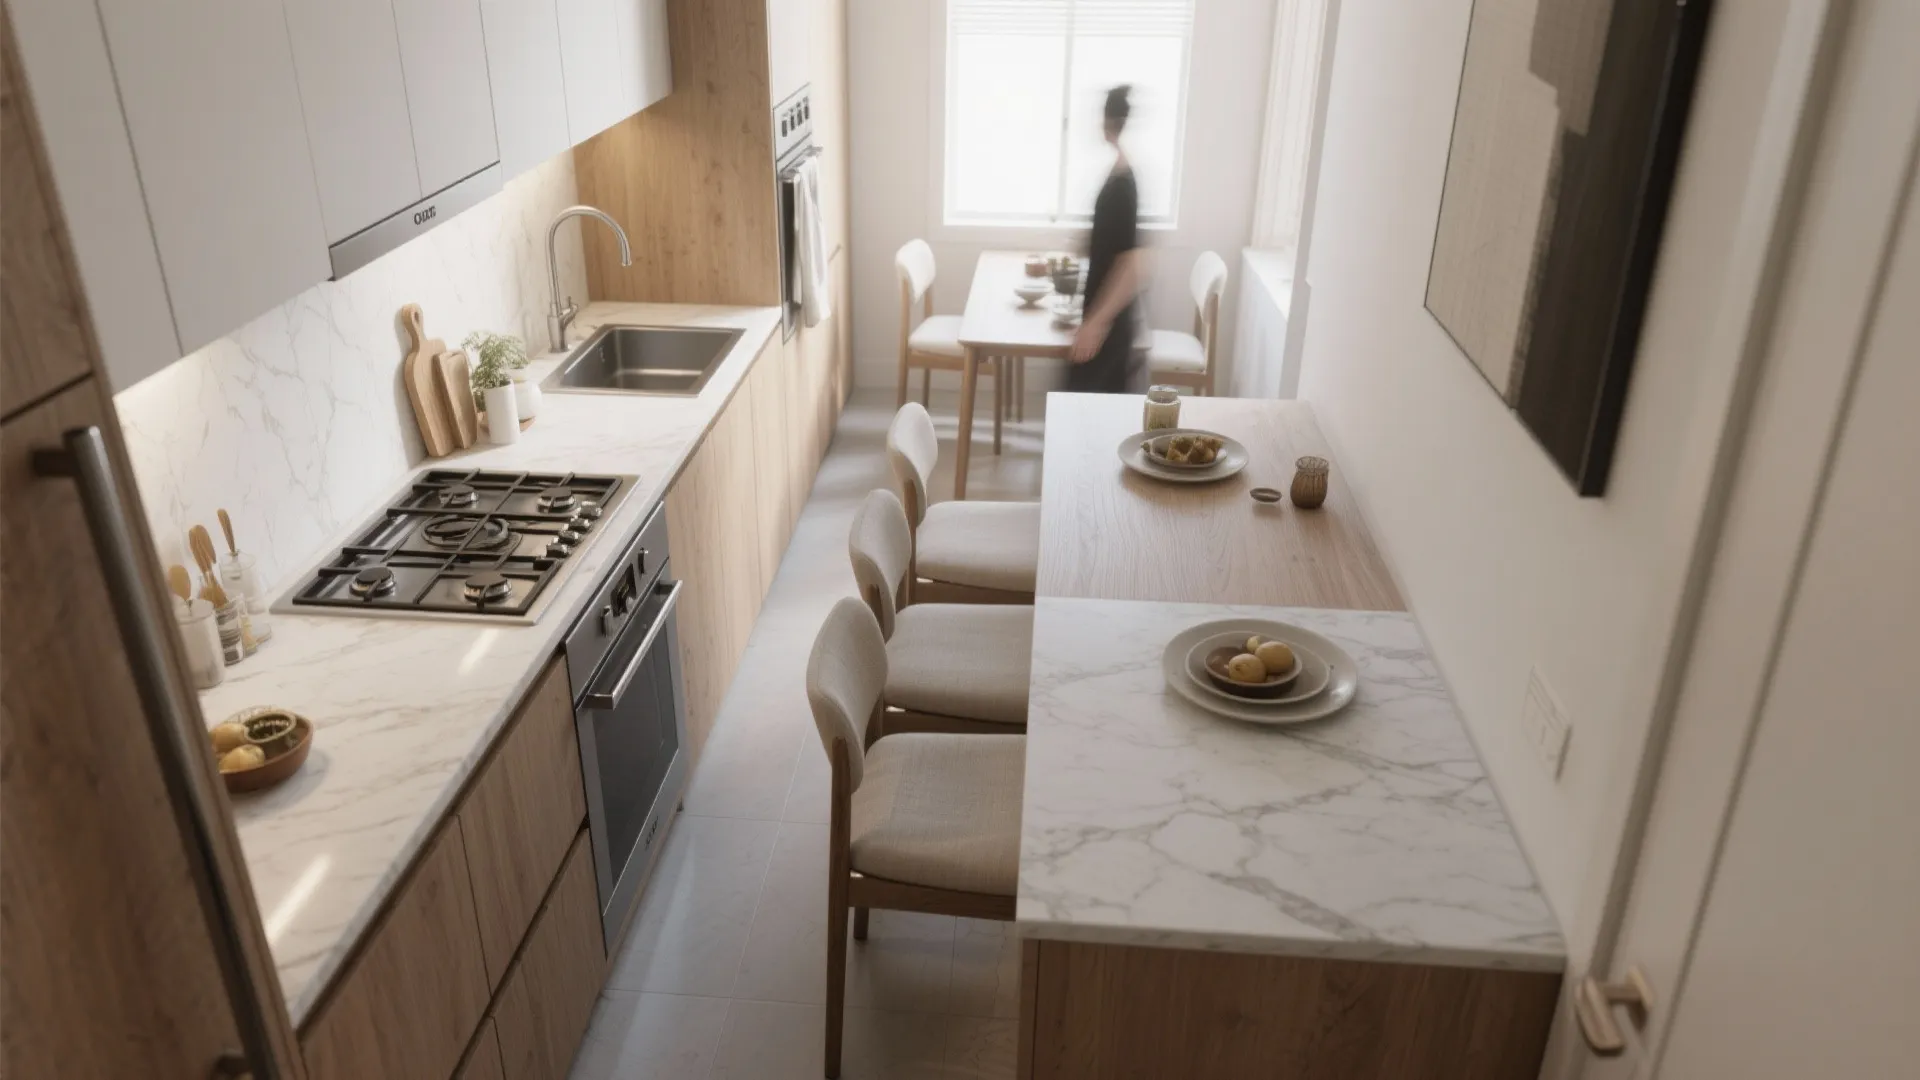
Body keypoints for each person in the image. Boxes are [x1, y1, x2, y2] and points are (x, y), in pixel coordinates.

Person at [1068, 85, 1145, 392]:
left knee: (1091, 407)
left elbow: (1134, 263)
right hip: (1100, 310)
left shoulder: (1124, 185)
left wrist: (1095, 325)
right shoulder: (1118, 172)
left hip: (1108, 322)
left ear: (1107, 121)